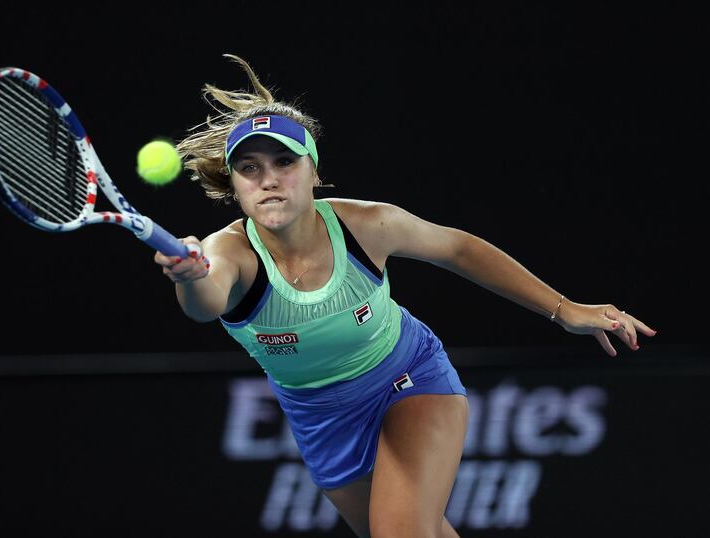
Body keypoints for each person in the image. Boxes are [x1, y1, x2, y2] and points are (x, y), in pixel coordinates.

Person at [154, 54, 656, 538]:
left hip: (407, 377)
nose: (268, 180)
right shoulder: (229, 251)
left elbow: (458, 248)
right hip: (320, 417)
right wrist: (189, 277)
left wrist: (564, 309)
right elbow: (208, 304)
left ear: (313, 171)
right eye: (250, 169)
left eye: (285, 162)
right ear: (235, 186)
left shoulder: (368, 224)